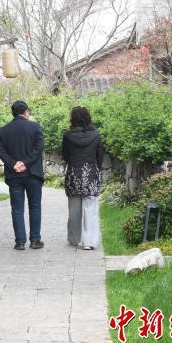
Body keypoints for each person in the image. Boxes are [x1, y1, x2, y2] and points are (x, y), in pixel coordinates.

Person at [0, 100, 44, 250]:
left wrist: (14, 164)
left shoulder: (4, 130)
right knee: (35, 207)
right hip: (33, 173)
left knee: (17, 209)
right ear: (25, 112)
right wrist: (25, 162)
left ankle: (20, 241)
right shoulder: (35, 127)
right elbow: (38, 148)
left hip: (14, 174)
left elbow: (0, 150)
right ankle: (35, 240)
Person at [62, 106, 104, 250]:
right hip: (91, 174)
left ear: (73, 119)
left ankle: (74, 239)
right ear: (88, 118)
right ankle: (89, 242)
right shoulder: (96, 135)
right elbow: (100, 156)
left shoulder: (67, 136)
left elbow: (65, 155)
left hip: (73, 174)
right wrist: (95, 168)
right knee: (90, 209)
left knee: (74, 209)